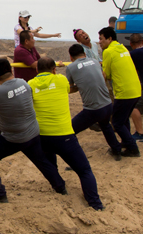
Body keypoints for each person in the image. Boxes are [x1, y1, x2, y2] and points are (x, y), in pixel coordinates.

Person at [0, 58, 68, 202]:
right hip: (32, 133)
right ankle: (60, 187)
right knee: (41, 161)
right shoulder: (23, 83)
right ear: (11, 70)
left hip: (12, 138)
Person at [29, 58, 104, 210]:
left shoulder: (30, 84)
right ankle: (95, 204)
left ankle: (59, 188)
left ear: (37, 70)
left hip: (42, 135)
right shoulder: (62, 80)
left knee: (51, 165)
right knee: (84, 170)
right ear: (54, 70)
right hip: (64, 135)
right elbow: (70, 88)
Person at [66, 44, 122, 157]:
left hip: (93, 109)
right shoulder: (95, 62)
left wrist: (79, 86)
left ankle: (76, 160)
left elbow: (70, 89)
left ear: (71, 57)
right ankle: (117, 150)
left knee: (70, 131)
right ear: (84, 54)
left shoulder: (71, 67)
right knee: (106, 126)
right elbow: (103, 75)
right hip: (108, 105)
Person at [99, 27, 142, 157]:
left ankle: (133, 148)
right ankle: (126, 142)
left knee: (116, 122)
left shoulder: (108, 52)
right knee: (123, 119)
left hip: (124, 92)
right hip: (135, 89)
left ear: (109, 38)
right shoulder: (123, 48)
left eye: (101, 39)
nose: (99, 42)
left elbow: (106, 75)